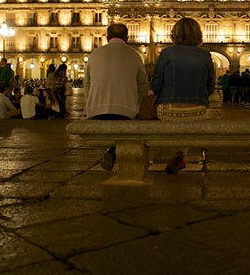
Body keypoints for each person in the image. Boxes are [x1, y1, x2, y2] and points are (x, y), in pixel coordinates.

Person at [150, 17, 215, 173]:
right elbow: (211, 88)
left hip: (168, 109)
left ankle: (177, 155)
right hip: (198, 109)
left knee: (171, 122)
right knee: (189, 124)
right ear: (198, 34)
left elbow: (155, 85)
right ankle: (180, 155)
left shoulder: (167, 54)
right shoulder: (205, 56)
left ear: (174, 34)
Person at [84, 23, 149, 171]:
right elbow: (143, 85)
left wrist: (89, 106)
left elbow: (87, 84)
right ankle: (114, 153)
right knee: (128, 126)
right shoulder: (134, 55)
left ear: (107, 37)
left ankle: (111, 152)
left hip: (96, 113)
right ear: (127, 38)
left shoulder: (94, 54)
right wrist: (137, 104)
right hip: (126, 112)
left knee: (117, 125)